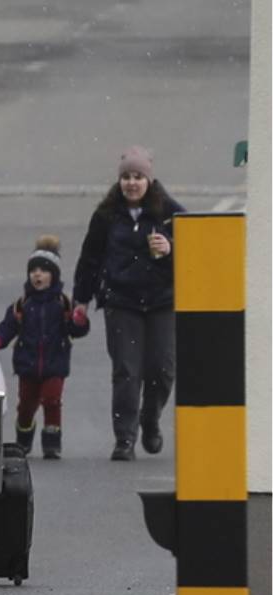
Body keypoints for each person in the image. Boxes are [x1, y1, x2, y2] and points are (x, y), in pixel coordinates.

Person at [72, 146, 183, 461]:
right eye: (126, 177)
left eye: (138, 177)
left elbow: (198, 247)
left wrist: (171, 247)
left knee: (162, 370)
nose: (131, 183)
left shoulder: (168, 211)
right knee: (126, 370)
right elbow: (90, 258)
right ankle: (125, 439)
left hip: (162, 301)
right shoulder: (106, 216)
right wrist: (81, 299)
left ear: (149, 180)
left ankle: (150, 419)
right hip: (122, 302)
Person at [0, 235, 91, 459]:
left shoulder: (63, 303)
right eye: (33, 271)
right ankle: (24, 439)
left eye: (43, 271)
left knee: (52, 401)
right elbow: (8, 326)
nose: (37, 275)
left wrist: (79, 320)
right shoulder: (22, 304)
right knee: (26, 405)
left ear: (53, 276)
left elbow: (77, 330)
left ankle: (52, 443)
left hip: (55, 362)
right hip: (27, 364)